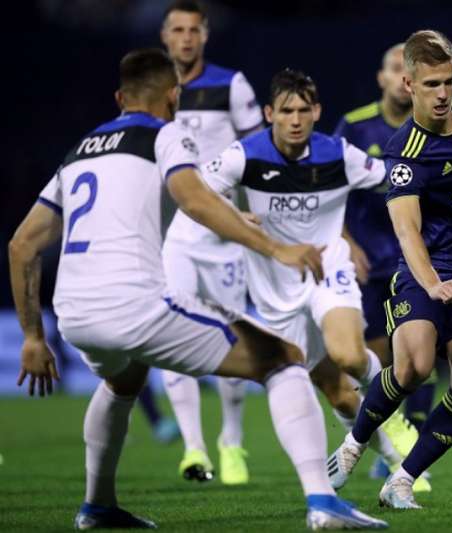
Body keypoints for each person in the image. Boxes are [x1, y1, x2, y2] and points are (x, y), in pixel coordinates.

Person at [8, 48, 386, 530]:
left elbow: (22, 245)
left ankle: (97, 506)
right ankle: (323, 503)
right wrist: (276, 248)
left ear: (120, 97)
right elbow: (193, 200)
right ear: (174, 95)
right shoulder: (168, 134)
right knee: (284, 358)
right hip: (137, 306)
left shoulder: (82, 149)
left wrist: (34, 337)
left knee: (121, 382)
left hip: (75, 314)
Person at [326, 30, 452, 509]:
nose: (443, 94)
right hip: (427, 270)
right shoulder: (404, 152)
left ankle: (403, 479)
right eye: (432, 84)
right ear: (409, 82)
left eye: (450, 82)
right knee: (413, 366)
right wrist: (433, 284)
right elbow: (408, 231)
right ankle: (355, 443)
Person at [200, 68, 422, 487]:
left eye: (304, 110)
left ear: (317, 111)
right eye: (287, 111)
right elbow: (196, 194)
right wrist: (233, 214)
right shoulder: (243, 155)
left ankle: (393, 416)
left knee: (350, 355)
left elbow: (397, 180)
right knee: (338, 393)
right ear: (270, 113)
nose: (296, 119)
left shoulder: (339, 153)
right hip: (275, 289)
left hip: (328, 270)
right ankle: (398, 462)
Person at [159, 0, 264, 484]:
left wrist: (253, 216)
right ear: (165, 36)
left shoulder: (231, 84)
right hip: (176, 234)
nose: (184, 38)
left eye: (192, 30)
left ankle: (233, 441)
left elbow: (261, 155)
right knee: (172, 333)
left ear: (205, 36)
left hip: (225, 234)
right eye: (176, 29)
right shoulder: (152, 88)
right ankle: (194, 448)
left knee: (229, 338)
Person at [333, 43, 436, 481]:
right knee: (378, 360)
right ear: (383, 78)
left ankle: (406, 452)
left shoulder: (432, 127)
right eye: (395, 68)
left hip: (415, 260)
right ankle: (389, 443)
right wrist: (344, 240)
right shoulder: (354, 127)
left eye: (407, 70)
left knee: (422, 354)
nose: (401, 77)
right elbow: (326, 190)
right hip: (368, 263)